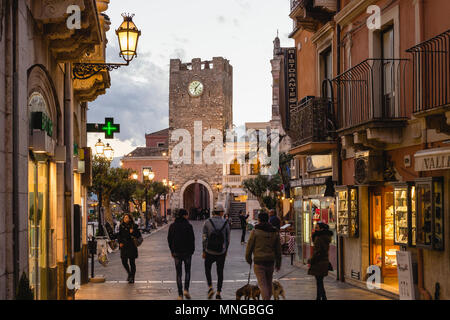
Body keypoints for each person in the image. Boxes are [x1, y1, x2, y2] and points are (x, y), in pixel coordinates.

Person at [245, 211, 282, 300]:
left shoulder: (255, 231)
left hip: (259, 261)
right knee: (269, 283)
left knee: (262, 284)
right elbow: (278, 249)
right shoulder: (274, 232)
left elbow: (249, 246)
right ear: (268, 219)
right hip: (270, 261)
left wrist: (248, 259)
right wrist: (278, 263)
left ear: (259, 219)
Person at [202, 204, 230, 300]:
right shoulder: (226, 223)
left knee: (207, 268)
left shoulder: (207, 222)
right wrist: (225, 250)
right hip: (221, 252)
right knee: (220, 272)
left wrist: (204, 250)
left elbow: (204, 238)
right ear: (221, 212)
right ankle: (218, 292)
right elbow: (227, 239)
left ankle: (210, 287)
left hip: (209, 250)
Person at [167, 209, 195, 300]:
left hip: (176, 253)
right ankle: (186, 289)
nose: (188, 216)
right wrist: (192, 251)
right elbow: (192, 239)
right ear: (184, 215)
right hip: (187, 252)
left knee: (178, 274)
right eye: (187, 215)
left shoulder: (172, 226)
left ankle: (180, 295)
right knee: (187, 271)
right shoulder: (188, 226)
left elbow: (169, 239)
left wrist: (172, 250)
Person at [308, 222, 333, 300]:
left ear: (321, 229)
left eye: (317, 228)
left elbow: (317, 252)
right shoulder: (326, 237)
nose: (315, 229)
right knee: (319, 281)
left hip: (318, 262)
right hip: (324, 261)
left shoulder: (319, 238)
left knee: (319, 282)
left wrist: (311, 260)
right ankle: (318, 297)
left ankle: (324, 297)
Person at [118, 214, 142, 284]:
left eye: (126, 217)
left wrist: (133, 232)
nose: (125, 219)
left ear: (130, 219)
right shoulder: (121, 226)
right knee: (124, 261)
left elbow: (138, 236)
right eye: (124, 217)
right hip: (124, 245)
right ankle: (129, 273)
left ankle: (132, 278)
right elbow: (119, 235)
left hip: (131, 246)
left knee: (132, 262)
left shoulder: (134, 226)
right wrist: (120, 242)